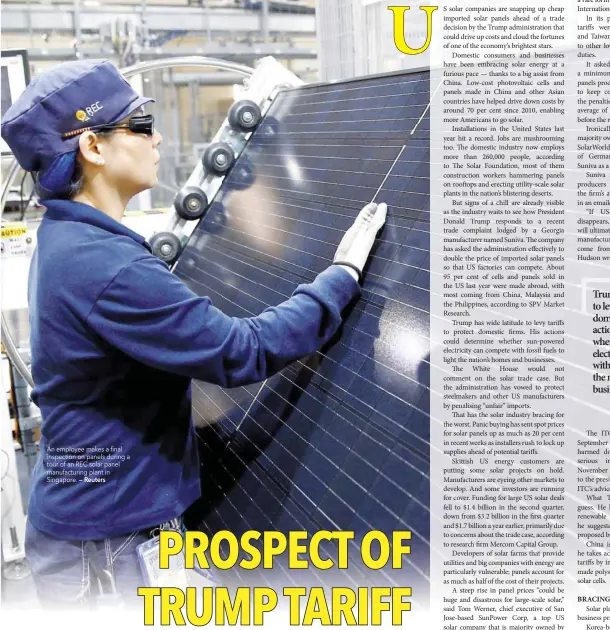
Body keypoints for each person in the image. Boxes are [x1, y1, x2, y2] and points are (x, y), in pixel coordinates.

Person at [0, 59, 387, 608]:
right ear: (92, 146)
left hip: (93, 526)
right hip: (110, 549)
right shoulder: (104, 265)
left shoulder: (70, 240)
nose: (156, 137)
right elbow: (240, 352)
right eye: (139, 124)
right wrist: (340, 280)